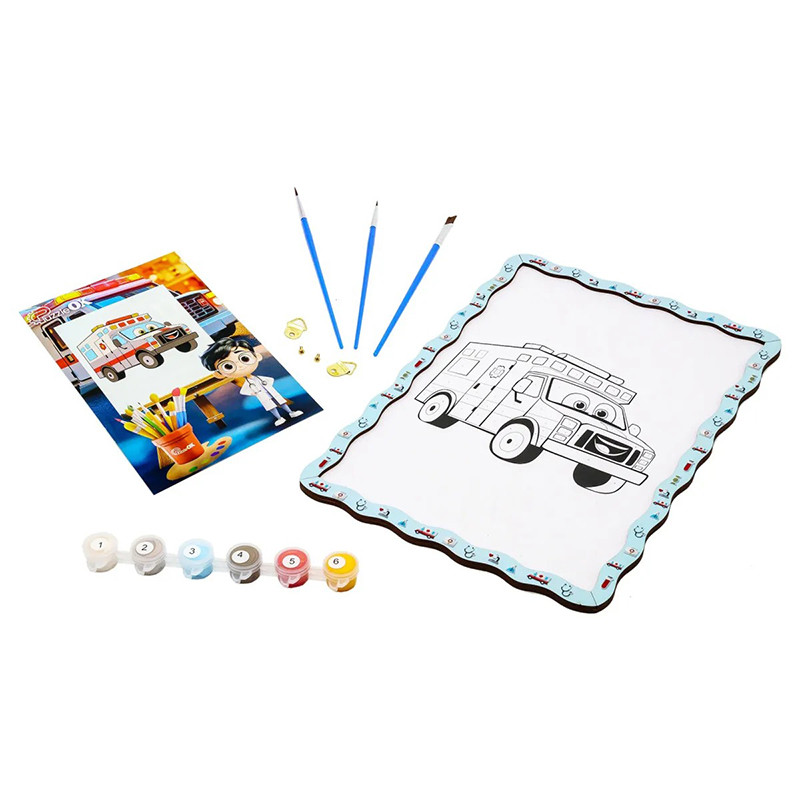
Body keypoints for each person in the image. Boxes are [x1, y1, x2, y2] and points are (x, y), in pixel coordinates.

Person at [200, 337, 303, 427]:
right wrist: (253, 393)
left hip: (271, 390)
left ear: (257, 356)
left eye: (244, 358)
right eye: (228, 366)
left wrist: (267, 385)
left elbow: (268, 380)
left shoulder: (258, 376)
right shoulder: (244, 384)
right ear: (219, 374)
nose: (240, 366)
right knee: (270, 406)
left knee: (280, 400)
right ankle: (279, 418)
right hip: (261, 396)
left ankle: (291, 412)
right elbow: (244, 391)